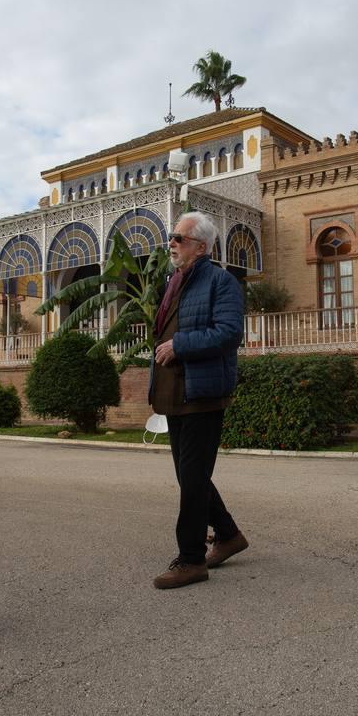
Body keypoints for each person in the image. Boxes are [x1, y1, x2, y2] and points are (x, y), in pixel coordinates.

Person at [148, 211, 248, 589]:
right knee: (189, 475)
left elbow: (228, 333)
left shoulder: (220, 282)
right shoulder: (175, 280)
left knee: (191, 478)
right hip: (175, 390)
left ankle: (191, 560)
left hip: (203, 392)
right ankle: (227, 534)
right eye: (171, 238)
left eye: (179, 238)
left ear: (201, 247)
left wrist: (180, 344)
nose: (171, 244)